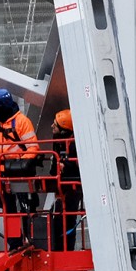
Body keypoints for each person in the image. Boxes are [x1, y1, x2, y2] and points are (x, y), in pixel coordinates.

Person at [0, 89, 41, 250]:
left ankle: (30, 238)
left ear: (1, 107)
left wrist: (21, 164)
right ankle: (15, 244)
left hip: (21, 170)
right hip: (1, 170)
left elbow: (33, 147)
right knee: (6, 205)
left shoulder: (21, 122)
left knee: (26, 204)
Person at [51, 107, 82, 252]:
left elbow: (78, 165)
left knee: (67, 219)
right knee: (58, 219)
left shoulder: (75, 144)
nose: (52, 126)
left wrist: (65, 165)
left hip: (72, 187)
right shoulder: (59, 142)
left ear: (63, 128)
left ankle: (65, 249)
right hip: (62, 186)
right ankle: (59, 248)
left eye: (55, 125)